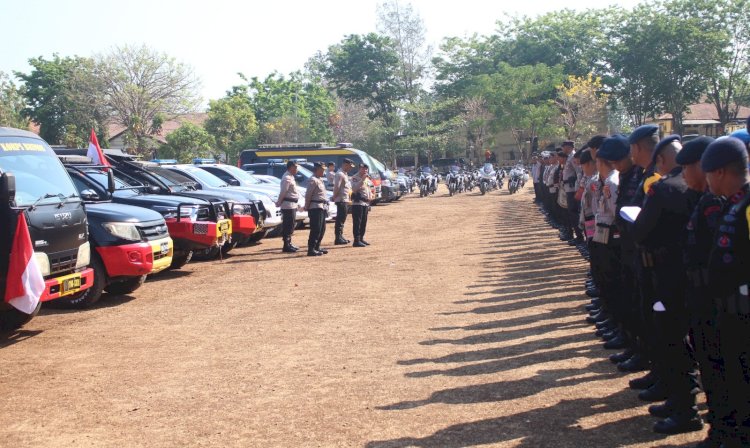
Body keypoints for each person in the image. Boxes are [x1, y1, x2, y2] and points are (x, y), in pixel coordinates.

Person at [632, 135, 703, 435]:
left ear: (660, 161)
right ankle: (681, 402)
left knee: (672, 341)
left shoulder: (663, 189)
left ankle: (683, 407)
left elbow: (641, 231)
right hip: (698, 281)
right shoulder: (701, 188)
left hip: (667, 278)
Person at [678, 136, 728, 447]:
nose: (683, 176)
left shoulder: (719, 204)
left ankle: (727, 430)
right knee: (711, 367)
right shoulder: (701, 199)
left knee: (723, 370)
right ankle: (720, 427)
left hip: (720, 305)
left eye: (687, 169)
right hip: (702, 300)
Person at [702, 137, 750, 447]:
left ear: (719, 172)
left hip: (744, 313)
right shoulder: (734, 202)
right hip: (730, 311)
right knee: (733, 379)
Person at [304, 162, 329, 257]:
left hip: (322, 207)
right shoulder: (313, 180)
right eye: (322, 170)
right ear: (317, 170)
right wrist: (306, 206)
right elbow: (308, 195)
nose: (324, 172)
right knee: (316, 229)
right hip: (315, 207)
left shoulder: (320, 179)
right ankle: (311, 249)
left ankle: (317, 247)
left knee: (322, 228)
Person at [276, 160, 301, 253]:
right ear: (291, 167)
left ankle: (289, 243)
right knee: (288, 225)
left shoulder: (291, 177)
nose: (297, 169)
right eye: (296, 167)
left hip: (292, 204)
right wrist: (279, 202)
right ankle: (286, 245)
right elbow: (283, 192)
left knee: (291, 225)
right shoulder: (287, 178)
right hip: (288, 205)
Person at [562, 141, 583, 244]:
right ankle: (577, 235)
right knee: (571, 212)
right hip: (569, 188)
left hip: (573, 189)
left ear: (568, 147)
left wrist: (578, 187)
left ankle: (580, 236)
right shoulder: (570, 156)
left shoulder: (573, 156)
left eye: (563, 147)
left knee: (574, 213)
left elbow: (579, 172)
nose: (562, 149)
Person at [350, 163, 373, 247]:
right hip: (358, 203)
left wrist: (370, 197)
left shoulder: (366, 178)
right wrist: (362, 180)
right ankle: (356, 240)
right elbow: (354, 189)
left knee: (363, 222)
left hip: (365, 203)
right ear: (359, 169)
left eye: (366, 169)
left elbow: (368, 189)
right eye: (363, 169)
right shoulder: (355, 178)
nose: (365, 170)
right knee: (357, 222)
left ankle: (361, 238)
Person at [333, 158, 354, 245]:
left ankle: (340, 236)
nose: (350, 168)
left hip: (345, 199)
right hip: (341, 199)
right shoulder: (340, 174)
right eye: (349, 166)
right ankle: (338, 238)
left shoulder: (344, 174)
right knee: (340, 219)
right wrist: (334, 197)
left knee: (342, 219)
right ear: (345, 165)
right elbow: (337, 187)